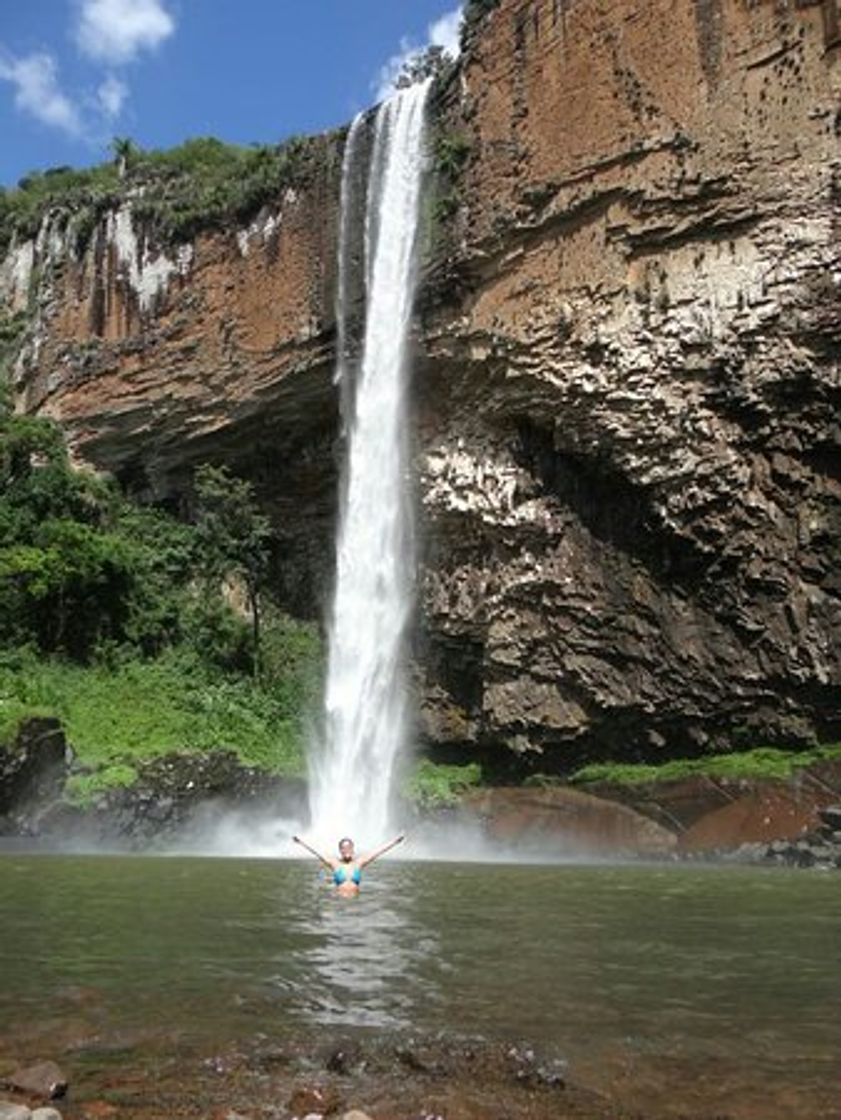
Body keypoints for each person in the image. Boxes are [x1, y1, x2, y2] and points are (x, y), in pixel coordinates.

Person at [292, 833, 405, 896]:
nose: (347, 850)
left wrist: (395, 842)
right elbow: (316, 852)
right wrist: (301, 842)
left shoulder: (359, 863)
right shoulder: (334, 863)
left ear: (353, 849)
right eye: (344, 848)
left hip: (356, 903)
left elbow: (378, 852)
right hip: (339, 903)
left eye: (349, 847)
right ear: (340, 850)